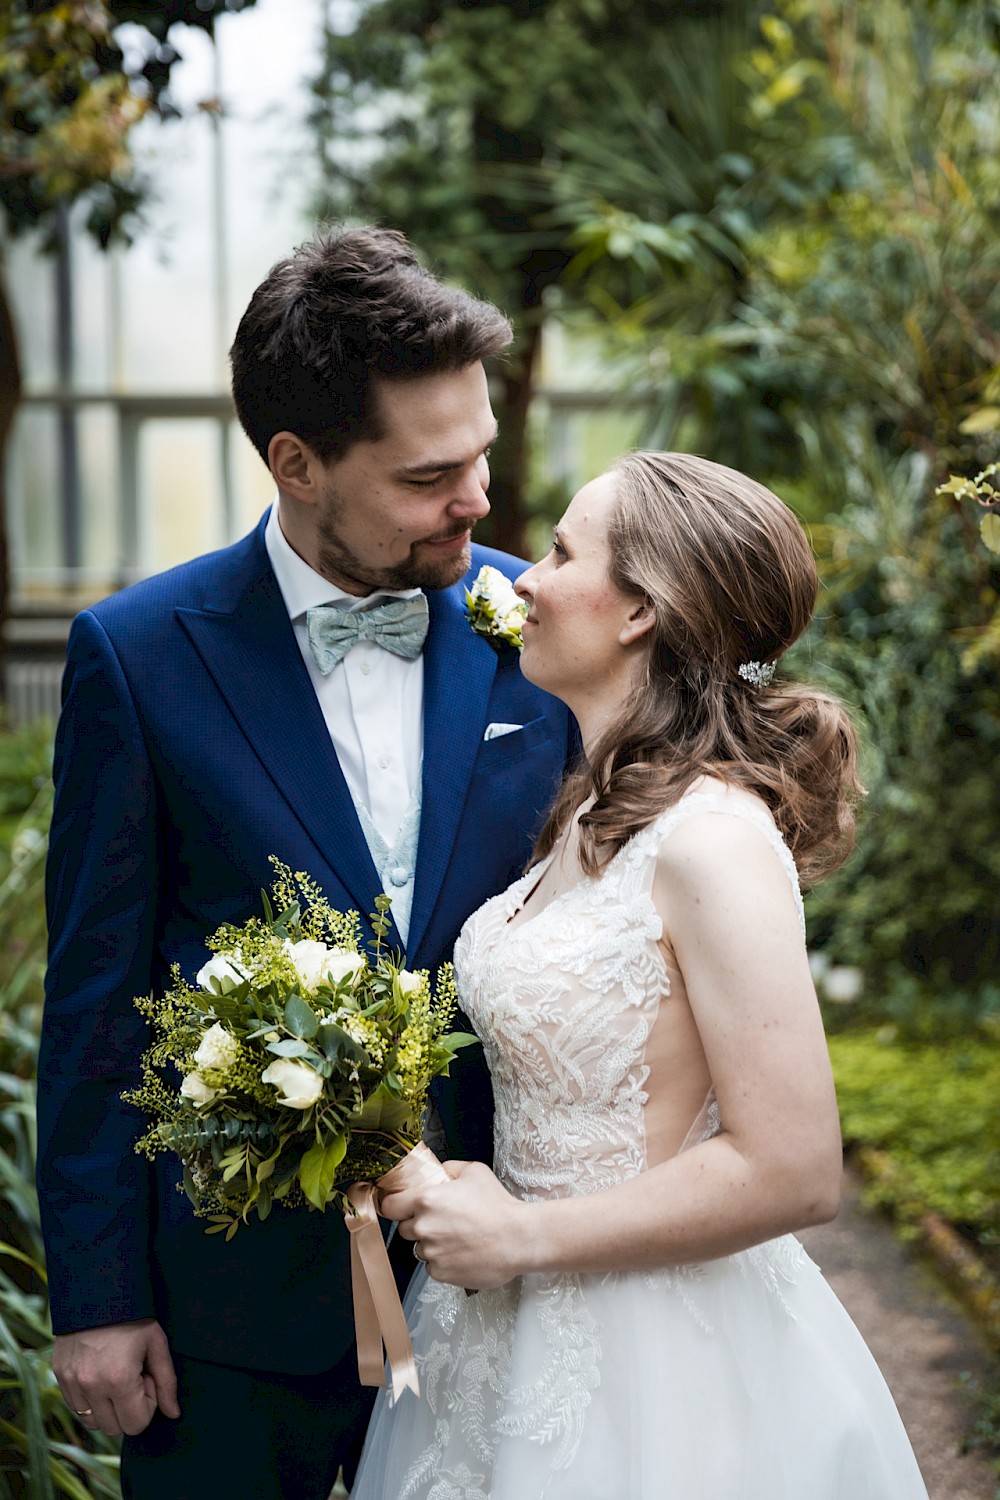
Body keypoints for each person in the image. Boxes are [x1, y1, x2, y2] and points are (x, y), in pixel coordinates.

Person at [36, 225, 572, 1500]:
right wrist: (96, 1302)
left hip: (509, 1298)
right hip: (227, 1321)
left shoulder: (543, 626)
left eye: (483, 454)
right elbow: (96, 1004)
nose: (478, 501)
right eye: (429, 475)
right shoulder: (138, 654)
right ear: (297, 463)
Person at [351, 451, 930, 1499]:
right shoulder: (590, 808)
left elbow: (795, 1167)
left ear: (637, 614)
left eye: (563, 551)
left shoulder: (711, 839)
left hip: (655, 1364)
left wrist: (526, 1234)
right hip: (496, 1332)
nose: (520, 576)